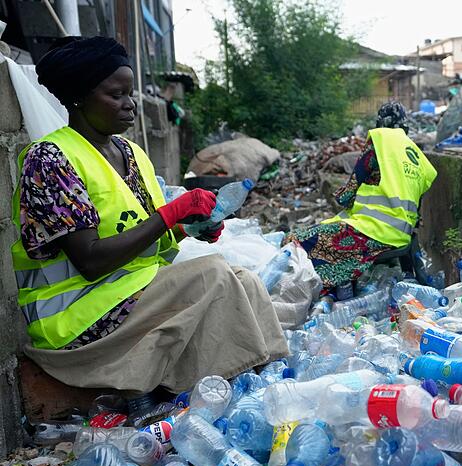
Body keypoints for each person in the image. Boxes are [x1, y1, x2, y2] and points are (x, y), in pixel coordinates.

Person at [10, 36, 288, 394]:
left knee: (245, 280)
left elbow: (150, 238)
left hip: (129, 294)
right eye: (116, 95)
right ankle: (221, 394)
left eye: (130, 94)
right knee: (212, 275)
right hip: (74, 318)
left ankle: (268, 383)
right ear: (78, 97)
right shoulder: (49, 159)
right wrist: (172, 213)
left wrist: (192, 228)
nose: (130, 106)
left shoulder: (131, 153)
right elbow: (90, 261)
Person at [287, 102, 437, 291]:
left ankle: (319, 289)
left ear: (381, 122)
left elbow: (351, 188)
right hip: (403, 235)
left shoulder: (381, 141)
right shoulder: (417, 155)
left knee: (296, 239)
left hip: (374, 232)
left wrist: (341, 197)